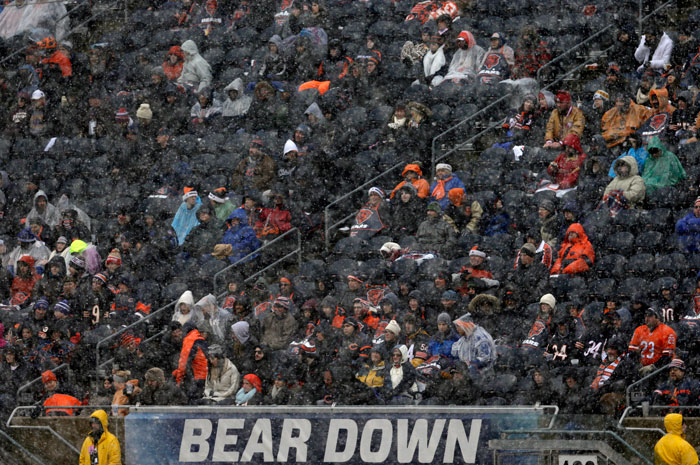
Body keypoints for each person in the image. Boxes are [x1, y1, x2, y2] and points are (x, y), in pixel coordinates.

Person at [629, 308, 676, 376]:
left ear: (658, 318)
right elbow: (632, 352)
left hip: (659, 369)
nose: (646, 319)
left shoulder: (668, 332)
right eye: (646, 316)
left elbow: (667, 357)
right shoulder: (639, 330)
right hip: (640, 367)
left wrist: (653, 367)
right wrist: (637, 365)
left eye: (650, 316)